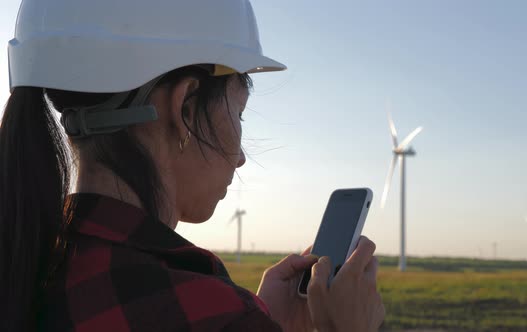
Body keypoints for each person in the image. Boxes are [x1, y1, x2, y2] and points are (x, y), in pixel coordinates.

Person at [0, 0, 385, 331]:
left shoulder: (31, 265)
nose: (240, 157)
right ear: (185, 107)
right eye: (239, 114)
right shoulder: (212, 316)